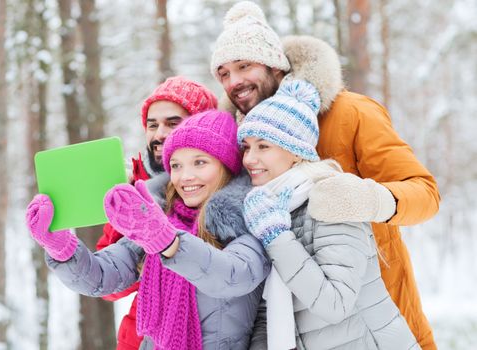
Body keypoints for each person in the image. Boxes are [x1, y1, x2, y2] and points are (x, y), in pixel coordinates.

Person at [210, 2, 440, 348]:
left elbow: (425, 194)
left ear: (276, 66)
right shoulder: (240, 138)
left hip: (376, 310)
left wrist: (370, 199)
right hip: (297, 326)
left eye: (245, 66)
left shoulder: (350, 112)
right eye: (224, 73)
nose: (235, 82)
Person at [25, 110, 270, 349]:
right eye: (176, 165)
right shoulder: (158, 217)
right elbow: (104, 275)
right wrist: (62, 247)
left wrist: (168, 242)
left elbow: (234, 276)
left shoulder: (248, 221)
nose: (185, 176)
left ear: (227, 166)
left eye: (199, 162)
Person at [238, 78, 420, 349]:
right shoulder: (270, 208)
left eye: (263, 146)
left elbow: (335, 303)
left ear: (296, 152)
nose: (249, 159)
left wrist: (276, 237)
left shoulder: (331, 197)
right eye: (247, 146)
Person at [95, 76, 218, 349]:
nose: (159, 134)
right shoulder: (137, 183)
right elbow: (113, 288)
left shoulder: (219, 191)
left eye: (173, 123)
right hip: (140, 338)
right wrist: (124, 211)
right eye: (152, 125)